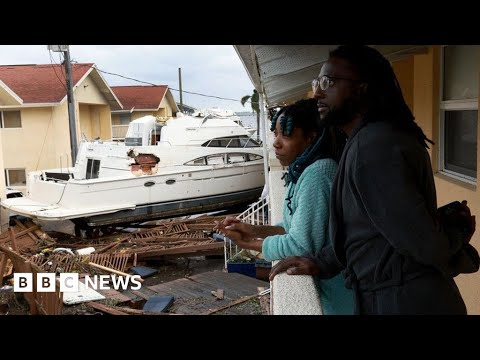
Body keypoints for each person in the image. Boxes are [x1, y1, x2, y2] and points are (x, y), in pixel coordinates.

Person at [269, 45, 479, 315]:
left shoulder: (375, 147)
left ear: (362, 88)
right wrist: (321, 262)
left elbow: (424, 244)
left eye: (328, 82)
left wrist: (456, 234)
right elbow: (367, 232)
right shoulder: (366, 141)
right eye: (316, 82)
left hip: (406, 303)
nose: (318, 92)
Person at [215, 98, 354, 315]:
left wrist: (250, 244)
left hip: (339, 296)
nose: (276, 143)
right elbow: (291, 226)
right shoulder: (301, 171)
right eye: (275, 134)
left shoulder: (318, 173)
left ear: (311, 138)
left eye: (286, 135)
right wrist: (252, 230)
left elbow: (300, 245)